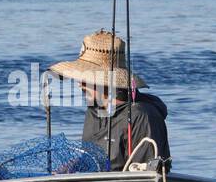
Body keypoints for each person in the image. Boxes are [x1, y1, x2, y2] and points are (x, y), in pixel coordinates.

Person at [49, 30, 170, 170]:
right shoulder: (94, 110)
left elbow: (147, 177)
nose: (79, 84)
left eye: (86, 78)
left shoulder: (141, 116)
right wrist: (73, 167)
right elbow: (91, 159)